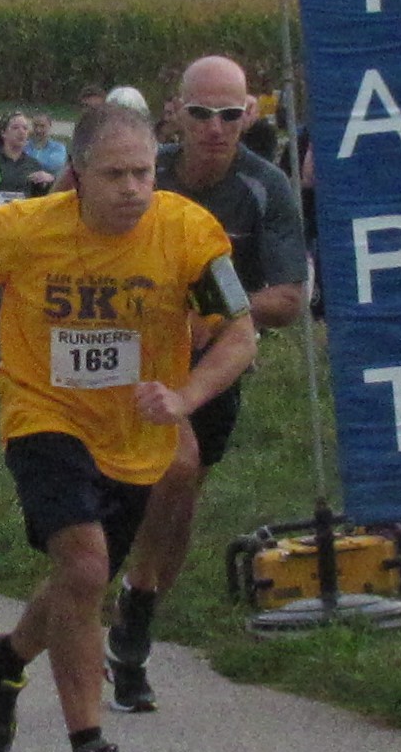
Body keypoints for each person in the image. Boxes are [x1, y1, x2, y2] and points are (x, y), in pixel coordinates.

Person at [0, 100, 255, 752]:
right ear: (76, 176)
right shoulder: (22, 230)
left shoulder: (186, 231)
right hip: (43, 412)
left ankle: (7, 658)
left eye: (143, 172)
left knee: (78, 581)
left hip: (135, 433)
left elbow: (240, 335)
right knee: (83, 566)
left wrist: (185, 394)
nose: (132, 188)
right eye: (114, 174)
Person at [106, 55, 307, 709]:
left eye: (229, 114)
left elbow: (286, 297)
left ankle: (137, 615)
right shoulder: (143, 170)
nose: (214, 128)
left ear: (249, 113)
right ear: (176, 112)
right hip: (125, 348)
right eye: (200, 114)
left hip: (214, 355)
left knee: (182, 490)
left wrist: (212, 310)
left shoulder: (264, 186)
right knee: (176, 464)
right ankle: (124, 594)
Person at [0, 110, 55, 202]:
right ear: (3, 133)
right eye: (15, 128)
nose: (21, 132)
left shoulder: (33, 164)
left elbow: (39, 200)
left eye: (25, 128)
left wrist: (49, 182)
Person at [27, 110, 68, 179]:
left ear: (50, 126)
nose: (38, 130)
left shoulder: (58, 148)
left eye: (42, 126)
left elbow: (55, 165)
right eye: (35, 126)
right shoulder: (25, 145)